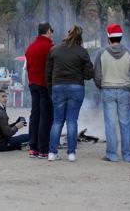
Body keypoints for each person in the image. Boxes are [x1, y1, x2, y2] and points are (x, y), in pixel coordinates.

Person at [46, 25, 94, 162]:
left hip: (58, 87)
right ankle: (71, 153)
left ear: (67, 35)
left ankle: (52, 152)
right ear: (80, 37)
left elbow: (48, 73)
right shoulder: (82, 52)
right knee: (72, 120)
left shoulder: (54, 50)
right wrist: (80, 74)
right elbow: (90, 73)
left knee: (57, 121)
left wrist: (51, 89)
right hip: (76, 87)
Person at [94, 24, 130, 163]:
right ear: (121, 37)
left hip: (107, 90)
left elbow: (97, 74)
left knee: (110, 124)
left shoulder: (101, 53)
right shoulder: (129, 53)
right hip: (124, 90)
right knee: (126, 124)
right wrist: (127, 84)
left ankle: (112, 155)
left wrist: (100, 86)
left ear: (108, 38)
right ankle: (128, 155)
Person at [25, 22, 54, 159]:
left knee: (34, 114)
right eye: (51, 30)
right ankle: (43, 149)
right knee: (45, 116)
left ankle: (33, 148)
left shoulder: (30, 47)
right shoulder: (50, 47)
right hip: (45, 84)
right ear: (48, 31)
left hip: (32, 83)